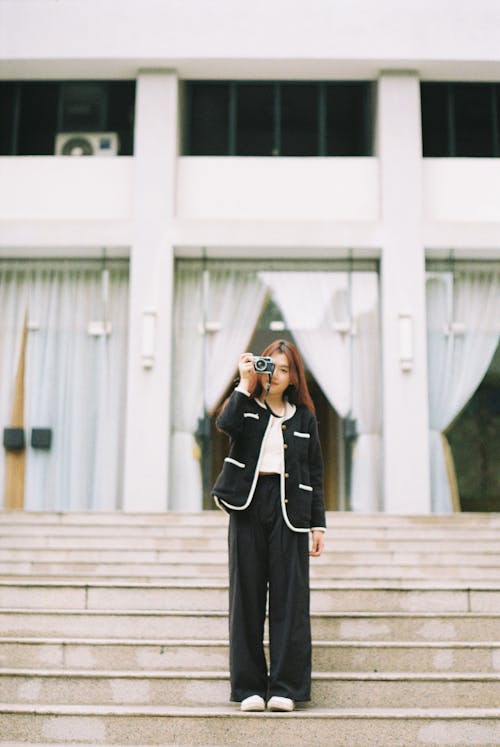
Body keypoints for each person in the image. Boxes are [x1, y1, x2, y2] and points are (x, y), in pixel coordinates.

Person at [212, 339, 326, 713]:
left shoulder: (304, 417)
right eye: (269, 366)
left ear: (293, 377)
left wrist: (318, 526)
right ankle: (248, 689)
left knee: (290, 599)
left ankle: (285, 687)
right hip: (247, 505)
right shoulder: (245, 406)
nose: (274, 374)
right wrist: (243, 386)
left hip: (290, 509)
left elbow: (314, 472)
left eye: (283, 369)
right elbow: (224, 425)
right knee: (245, 597)